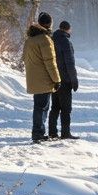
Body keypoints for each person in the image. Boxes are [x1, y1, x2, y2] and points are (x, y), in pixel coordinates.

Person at [23, 12, 61, 143]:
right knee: (43, 107)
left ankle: (38, 132)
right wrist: (56, 79)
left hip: (33, 78)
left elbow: (25, 59)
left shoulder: (29, 40)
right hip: (44, 80)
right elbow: (50, 62)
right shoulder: (45, 40)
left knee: (38, 106)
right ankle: (38, 133)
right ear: (49, 24)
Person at [49, 20, 79, 139]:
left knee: (55, 107)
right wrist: (74, 80)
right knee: (66, 108)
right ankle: (65, 132)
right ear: (68, 29)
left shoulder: (51, 39)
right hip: (65, 80)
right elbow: (70, 63)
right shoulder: (66, 42)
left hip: (53, 78)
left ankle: (52, 132)